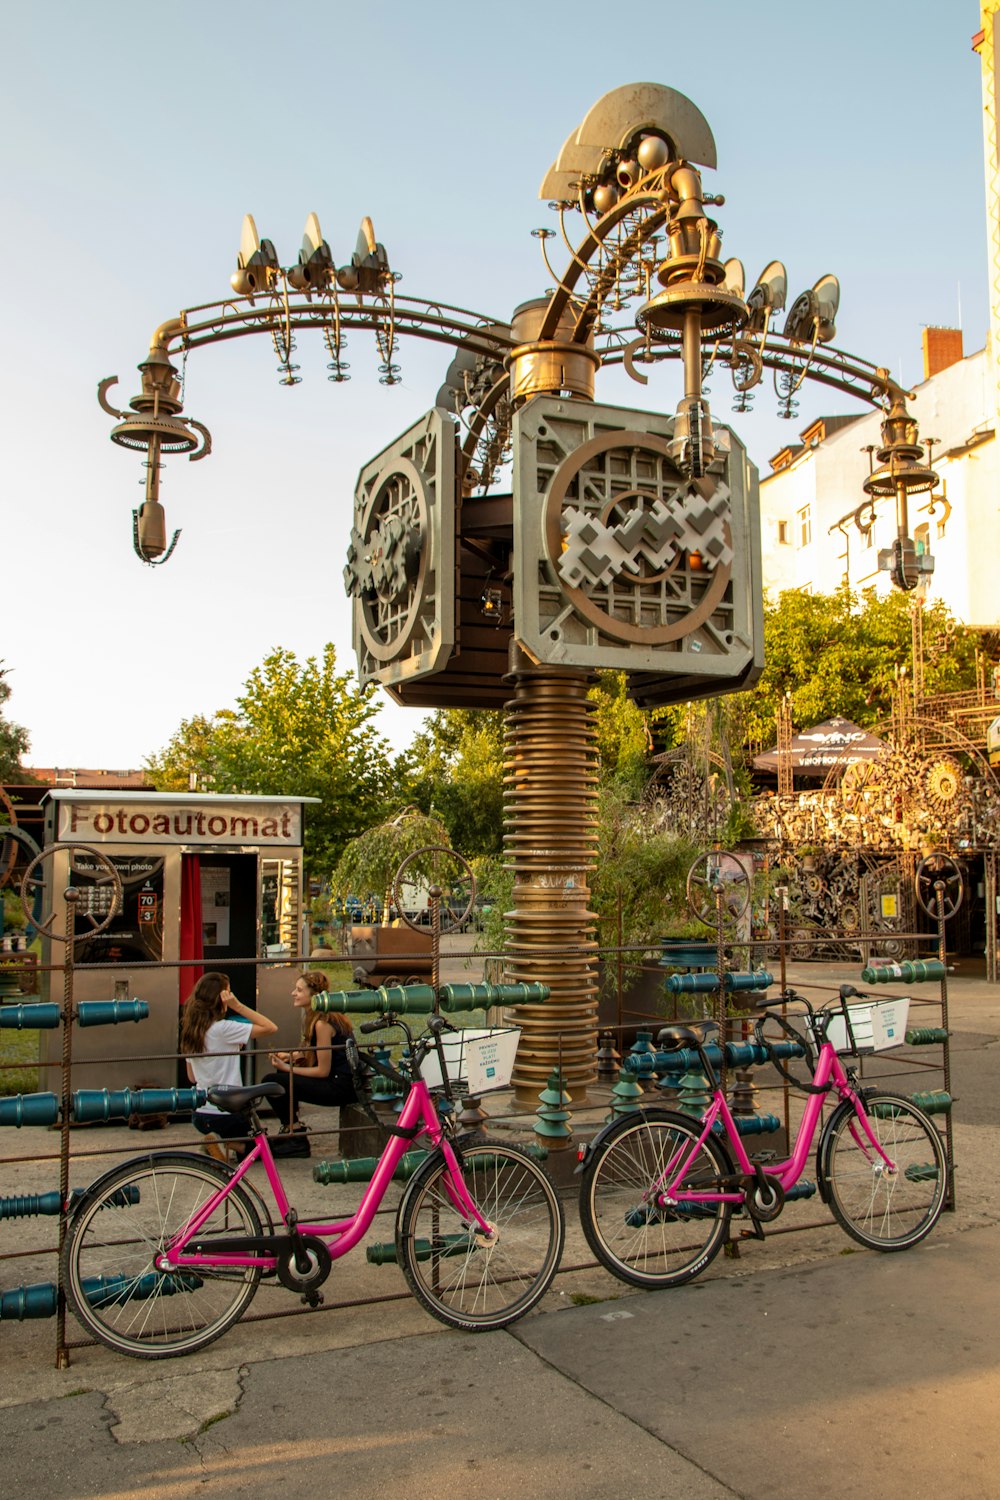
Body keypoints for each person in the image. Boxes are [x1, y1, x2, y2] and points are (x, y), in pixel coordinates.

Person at [180, 971, 278, 1163]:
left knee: (252, 1144)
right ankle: (225, 1143)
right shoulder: (224, 1028)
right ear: (221, 998)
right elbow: (270, 1027)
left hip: (200, 1114)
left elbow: (192, 1077)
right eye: (228, 994)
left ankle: (217, 1142)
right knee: (264, 1149)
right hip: (227, 1113)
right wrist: (237, 1005)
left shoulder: (190, 1031)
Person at [261, 970, 357, 1140]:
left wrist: (287, 1067)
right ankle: (292, 1128)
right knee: (281, 1076)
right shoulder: (320, 1015)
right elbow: (318, 1053)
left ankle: (295, 1133)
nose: (293, 993)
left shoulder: (322, 1023)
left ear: (313, 995)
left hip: (340, 1087)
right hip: (340, 1080)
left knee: (271, 1082)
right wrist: (290, 1057)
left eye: (299, 990)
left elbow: (322, 1071)